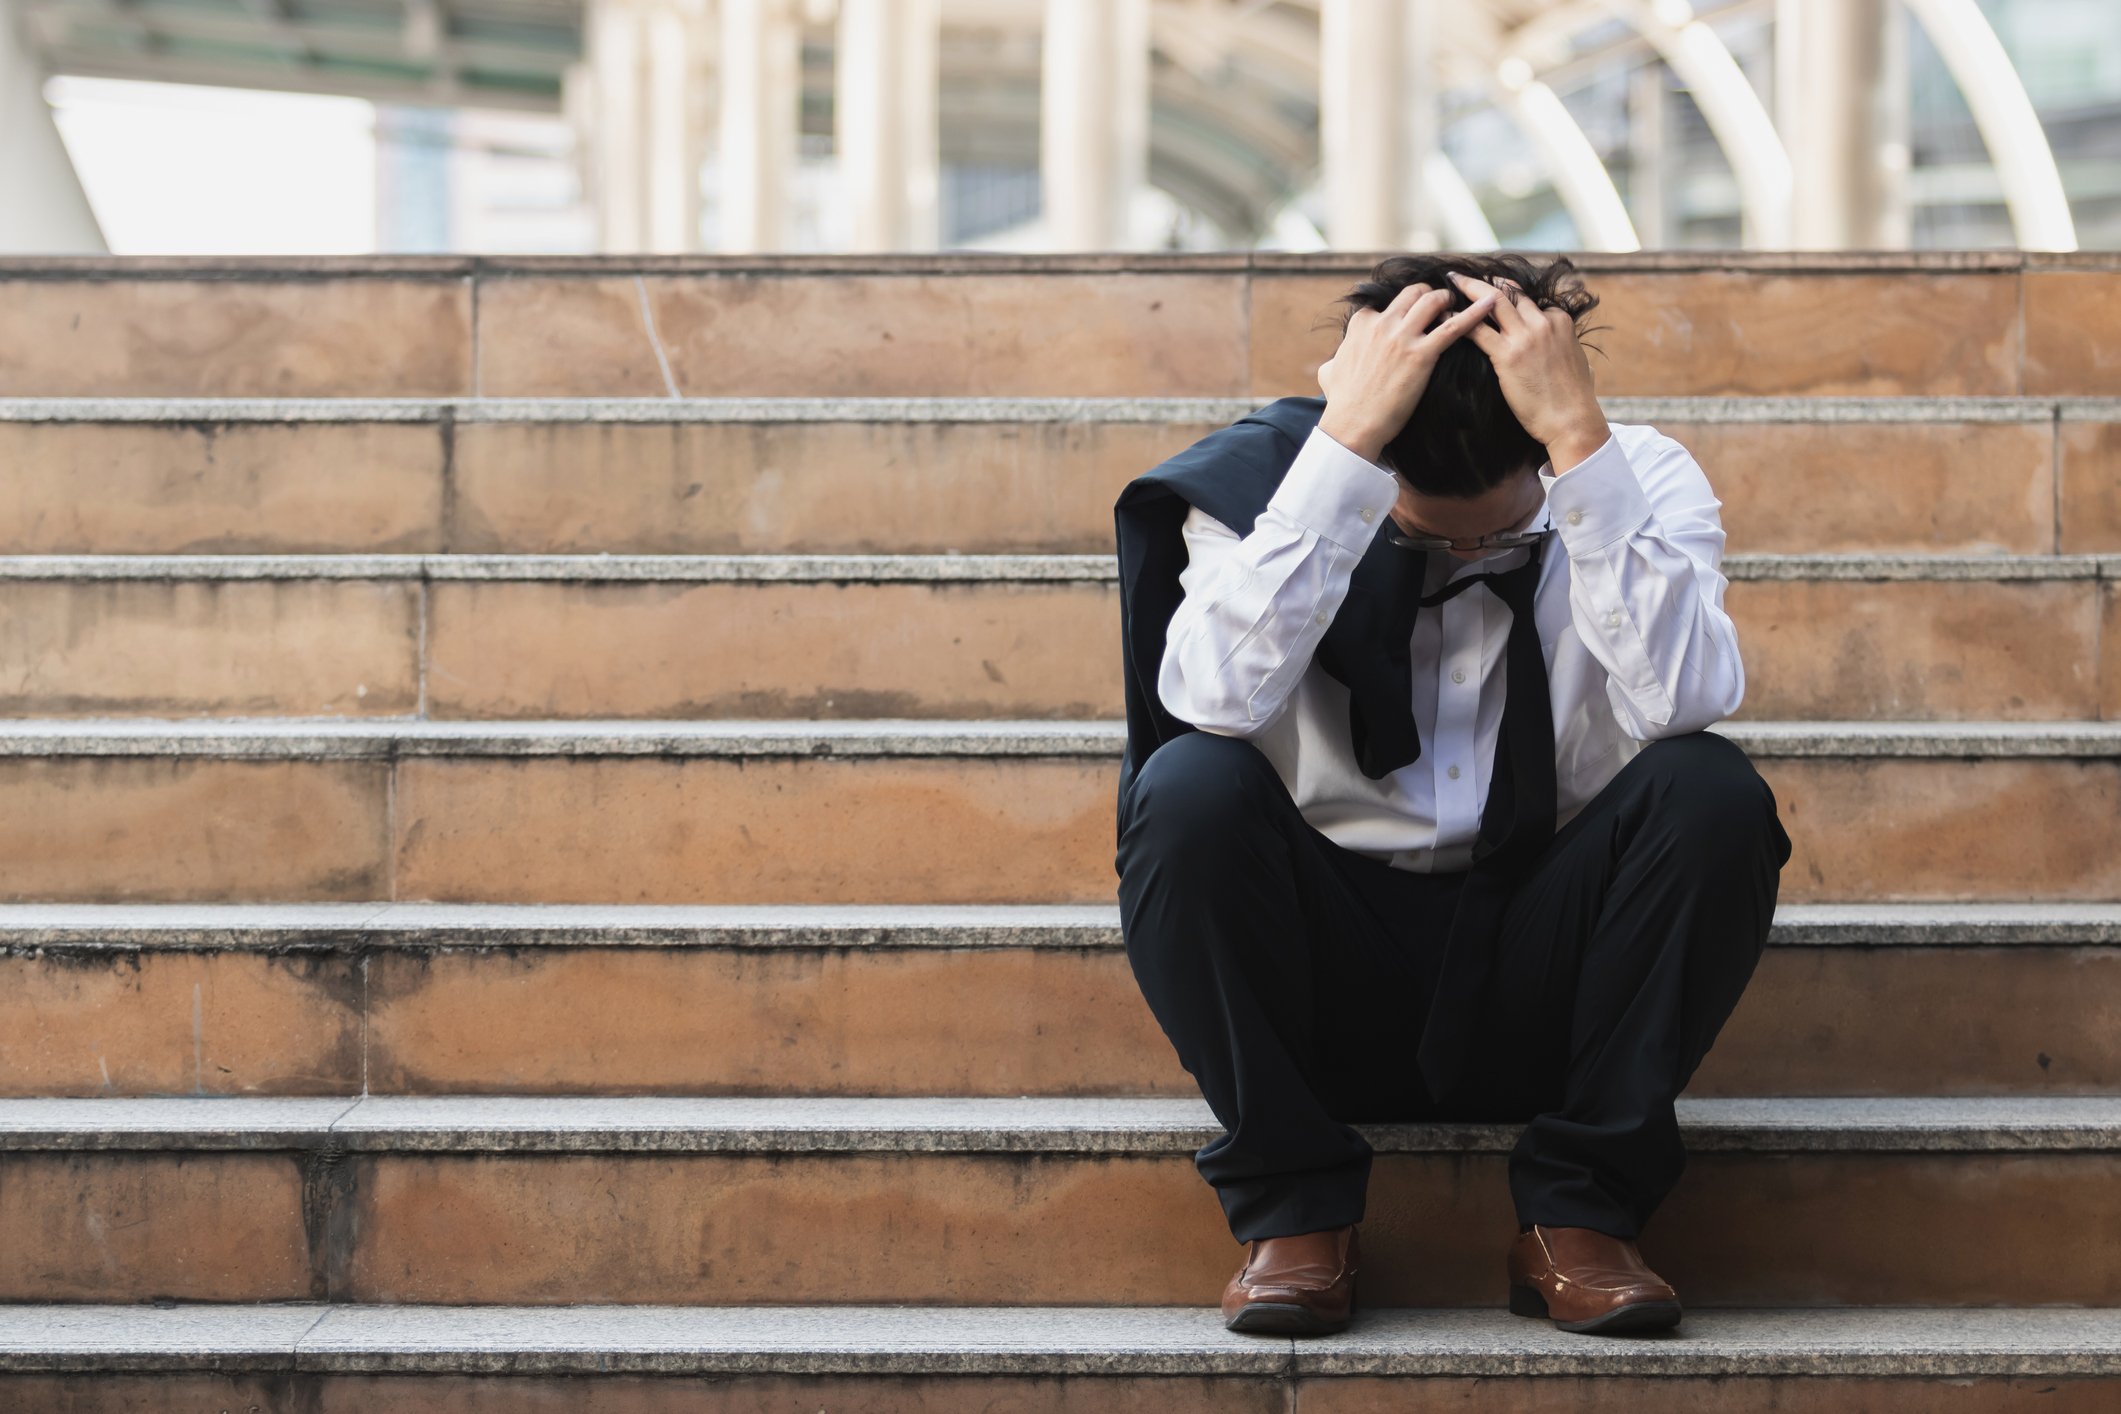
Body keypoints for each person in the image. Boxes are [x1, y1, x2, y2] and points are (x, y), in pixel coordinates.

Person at [1110, 252, 1792, 1338]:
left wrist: (1578, 447)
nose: (1475, 553)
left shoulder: (1635, 478)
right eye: (1436, 532)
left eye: (1499, 528)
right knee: (1188, 787)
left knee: (1709, 791)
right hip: (1327, 956)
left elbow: (1686, 697)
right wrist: (1339, 453)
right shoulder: (1269, 488)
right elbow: (1211, 697)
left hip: (1548, 957)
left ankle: (1583, 1215)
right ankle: (1294, 1212)